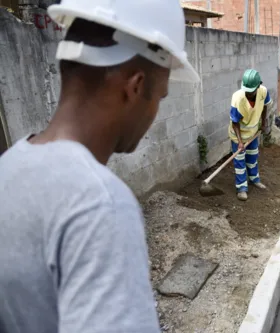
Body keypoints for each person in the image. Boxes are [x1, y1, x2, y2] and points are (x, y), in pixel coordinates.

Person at [0, 1, 199, 332]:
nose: (155, 113)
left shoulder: (7, 168)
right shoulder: (99, 205)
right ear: (135, 87)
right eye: (160, 97)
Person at [228, 69, 272, 201]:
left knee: (253, 158)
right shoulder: (238, 98)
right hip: (238, 135)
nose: (248, 93)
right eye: (246, 90)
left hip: (253, 133)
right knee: (240, 162)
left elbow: (265, 106)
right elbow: (235, 122)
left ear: (258, 86)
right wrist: (240, 142)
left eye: (251, 91)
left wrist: (263, 123)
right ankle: (241, 188)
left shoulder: (263, 92)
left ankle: (254, 179)